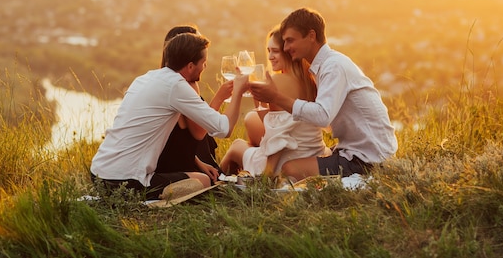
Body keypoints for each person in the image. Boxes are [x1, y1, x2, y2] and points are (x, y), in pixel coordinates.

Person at [90, 32, 247, 200]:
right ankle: (146, 198)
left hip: (98, 173)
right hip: (125, 181)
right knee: (203, 181)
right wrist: (238, 91)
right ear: (190, 66)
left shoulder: (144, 78)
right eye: (204, 63)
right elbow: (224, 128)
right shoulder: (176, 86)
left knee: (197, 176)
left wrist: (198, 162)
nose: (205, 67)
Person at [250, 8, 398, 181]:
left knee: (290, 168)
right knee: (306, 160)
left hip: (368, 158)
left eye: (290, 40)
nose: (286, 47)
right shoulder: (324, 67)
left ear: (311, 36)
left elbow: (322, 117)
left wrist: (275, 97)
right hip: (358, 150)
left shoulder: (333, 66)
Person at [219, 26, 329, 176]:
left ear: (288, 52)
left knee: (237, 146)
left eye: (275, 51)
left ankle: (216, 184)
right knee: (252, 124)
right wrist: (259, 99)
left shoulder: (277, 82)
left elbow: (275, 134)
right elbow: (284, 122)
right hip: (312, 153)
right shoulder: (311, 81)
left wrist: (266, 174)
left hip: (286, 160)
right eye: (269, 51)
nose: (270, 56)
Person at [155, 25, 230, 183]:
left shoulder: (160, 81)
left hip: (180, 157)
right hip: (177, 163)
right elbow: (200, 131)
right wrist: (219, 98)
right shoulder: (181, 86)